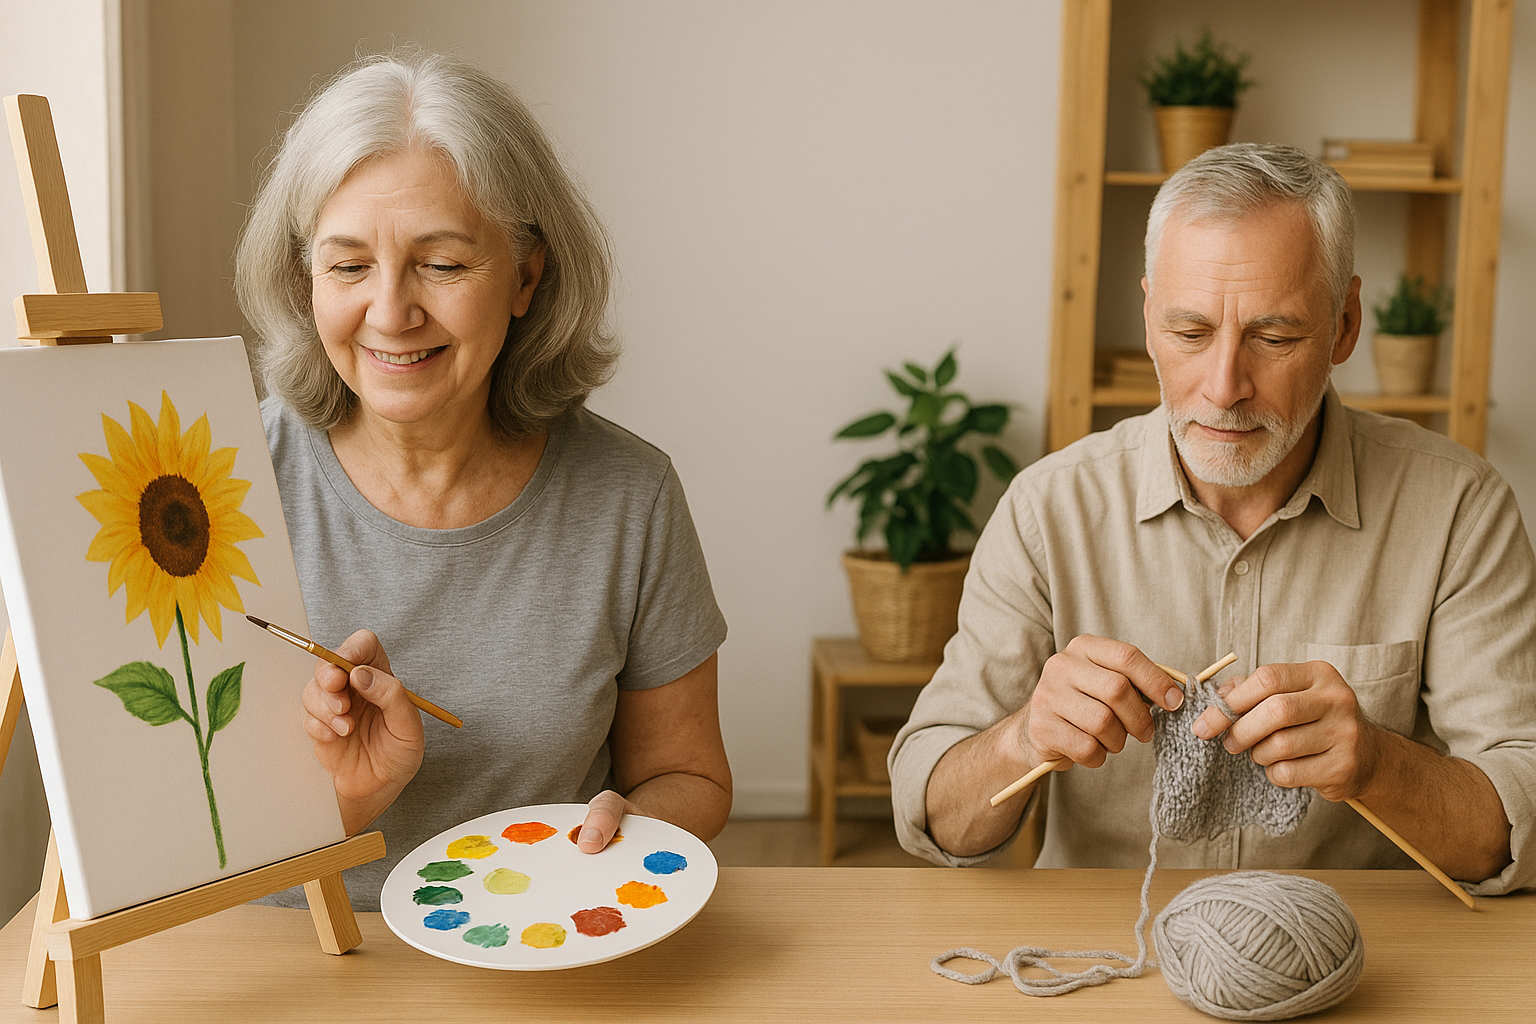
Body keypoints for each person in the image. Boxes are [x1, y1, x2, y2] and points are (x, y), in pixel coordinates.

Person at [890, 143, 1535, 895]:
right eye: (1190, 333)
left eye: (1274, 337)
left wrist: (1379, 764)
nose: (1224, 386)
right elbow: (932, 816)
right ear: (1147, 319)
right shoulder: (1048, 511)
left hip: (1363, 961)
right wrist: (1021, 737)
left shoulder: (1459, 510)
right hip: (1106, 956)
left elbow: (1516, 819)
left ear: (1345, 326)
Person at [233, 51, 731, 910]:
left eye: (444, 264)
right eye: (348, 267)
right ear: (303, 276)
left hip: (539, 951)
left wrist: (634, 826)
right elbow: (157, 838)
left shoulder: (630, 496)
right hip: (280, 970)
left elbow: (688, 776)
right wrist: (347, 805)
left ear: (526, 276)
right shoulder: (209, 495)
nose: (391, 313)